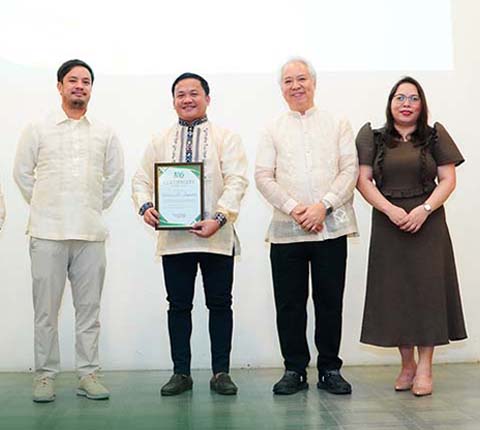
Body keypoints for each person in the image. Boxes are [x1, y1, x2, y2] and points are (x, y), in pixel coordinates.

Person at [14, 59, 124, 403]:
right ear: (60, 86)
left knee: (89, 310)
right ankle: (45, 377)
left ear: (91, 89)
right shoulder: (38, 128)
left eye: (86, 81)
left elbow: (115, 177)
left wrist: (89, 206)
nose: (80, 86)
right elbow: (22, 174)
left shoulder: (104, 132)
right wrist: (48, 206)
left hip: (90, 233)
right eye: (73, 80)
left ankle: (88, 374)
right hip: (47, 232)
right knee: (45, 312)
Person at [132, 73, 248, 396]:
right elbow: (140, 180)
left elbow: (237, 181)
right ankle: (181, 373)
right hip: (175, 241)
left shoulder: (226, 138)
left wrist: (219, 219)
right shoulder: (159, 140)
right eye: (180, 94)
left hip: (217, 237)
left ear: (207, 99)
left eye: (194, 93)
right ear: (173, 102)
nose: (187, 99)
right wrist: (146, 207)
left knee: (220, 305)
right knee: (178, 306)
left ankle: (221, 373)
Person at [356, 76, 466, 397]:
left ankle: (426, 368)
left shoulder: (435, 136)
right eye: (400, 98)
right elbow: (362, 180)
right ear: (390, 103)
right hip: (388, 223)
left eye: (413, 98)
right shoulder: (372, 137)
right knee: (395, 294)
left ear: (422, 104)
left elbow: (448, 179)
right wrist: (390, 210)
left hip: (428, 224)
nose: (406, 104)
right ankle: (407, 365)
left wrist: (425, 209)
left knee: (428, 293)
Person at [255, 58, 358, 395]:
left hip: (331, 228)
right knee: (289, 304)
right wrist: (295, 209)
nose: (296, 86)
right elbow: (263, 176)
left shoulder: (338, 123)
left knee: (329, 301)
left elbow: (349, 171)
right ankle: (294, 369)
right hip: (287, 231)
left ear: (314, 83)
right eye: (288, 81)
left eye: (301, 79)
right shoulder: (272, 128)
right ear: (281, 88)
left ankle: (330, 368)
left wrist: (322, 206)